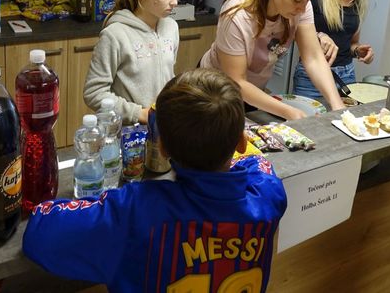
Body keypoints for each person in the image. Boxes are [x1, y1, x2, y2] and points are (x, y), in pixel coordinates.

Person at [24, 68, 288, 293]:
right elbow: (257, 164)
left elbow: (41, 233)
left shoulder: (136, 210)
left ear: (162, 148)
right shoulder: (266, 193)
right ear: (241, 142)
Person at [200, 0, 344, 120]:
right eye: (297, 0)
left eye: (308, 0)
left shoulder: (302, 8)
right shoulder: (237, 15)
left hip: (252, 92)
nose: (302, 8)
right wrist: (288, 111)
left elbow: (313, 58)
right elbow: (237, 81)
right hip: (213, 92)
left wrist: (338, 106)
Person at [83, 0, 182, 125]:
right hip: (127, 133)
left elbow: (166, 76)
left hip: (161, 127)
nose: (175, 2)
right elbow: (94, 93)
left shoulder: (171, 28)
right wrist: (139, 114)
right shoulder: (115, 35)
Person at [293, 0, 378, 99]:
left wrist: (358, 51)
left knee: (345, 115)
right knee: (309, 115)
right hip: (313, 74)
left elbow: (352, 42)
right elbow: (292, 32)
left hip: (346, 75)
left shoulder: (359, 1)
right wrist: (319, 36)